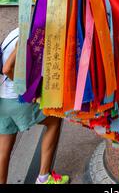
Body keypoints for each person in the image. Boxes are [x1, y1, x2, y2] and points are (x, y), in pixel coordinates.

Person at [0, 28, 69, 184]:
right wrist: (26, 92)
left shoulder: (17, 30)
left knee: (4, 149)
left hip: (2, 101)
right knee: (54, 120)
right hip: (16, 100)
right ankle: (44, 177)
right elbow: (7, 69)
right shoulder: (28, 34)